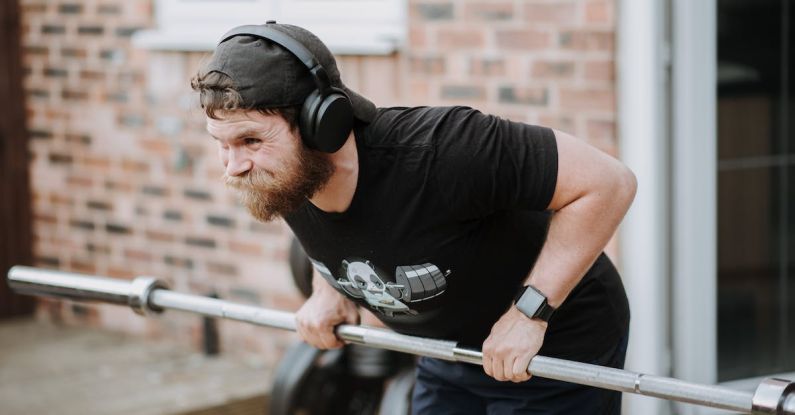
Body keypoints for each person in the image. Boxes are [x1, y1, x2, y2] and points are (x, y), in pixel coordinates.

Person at [191, 21, 636, 415]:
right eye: (223, 143)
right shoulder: (284, 177)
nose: (233, 165)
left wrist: (528, 314)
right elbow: (347, 229)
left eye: (250, 140)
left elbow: (608, 183)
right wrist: (326, 288)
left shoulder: (445, 152)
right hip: (448, 352)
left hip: (552, 344)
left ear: (320, 126)